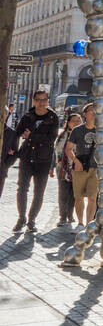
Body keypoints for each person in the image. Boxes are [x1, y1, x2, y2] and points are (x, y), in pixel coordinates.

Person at [13, 89, 60, 232]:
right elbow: (17, 132)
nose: (41, 103)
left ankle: (32, 220)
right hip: (27, 157)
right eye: (38, 100)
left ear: (48, 101)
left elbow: (51, 139)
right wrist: (12, 150)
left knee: (39, 192)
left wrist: (31, 135)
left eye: (44, 100)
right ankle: (21, 218)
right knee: (22, 188)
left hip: (43, 159)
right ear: (34, 101)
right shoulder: (27, 116)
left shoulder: (53, 117)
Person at [67, 102, 99, 228]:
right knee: (79, 197)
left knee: (92, 197)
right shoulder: (77, 130)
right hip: (80, 167)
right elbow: (68, 149)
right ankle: (80, 223)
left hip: (95, 168)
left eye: (95, 111)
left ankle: (89, 224)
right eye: (91, 111)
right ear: (85, 114)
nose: (94, 113)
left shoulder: (101, 130)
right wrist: (76, 161)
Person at [55, 111, 82, 226]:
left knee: (73, 194)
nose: (76, 123)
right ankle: (62, 216)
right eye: (73, 121)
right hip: (63, 168)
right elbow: (56, 152)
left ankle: (70, 215)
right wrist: (53, 167)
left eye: (78, 121)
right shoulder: (62, 135)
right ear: (68, 123)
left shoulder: (82, 135)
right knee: (63, 193)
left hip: (77, 168)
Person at [0, 105, 17, 201]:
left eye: (4, 113)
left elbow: (14, 153)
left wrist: (5, 165)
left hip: (1, 170)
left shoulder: (12, 133)